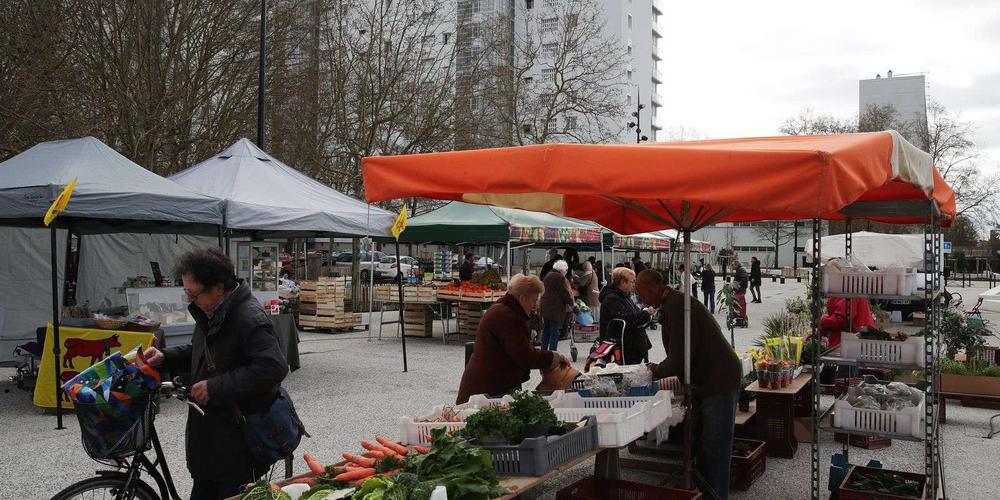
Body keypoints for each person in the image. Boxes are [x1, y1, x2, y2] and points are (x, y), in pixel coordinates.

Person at [143, 248, 288, 500]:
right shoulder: (211, 311)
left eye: (193, 293)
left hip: (237, 443)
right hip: (212, 438)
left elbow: (273, 367)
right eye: (186, 292)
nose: (189, 299)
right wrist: (165, 356)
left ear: (218, 288)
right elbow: (202, 352)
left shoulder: (249, 317)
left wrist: (215, 387)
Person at [637, 270, 741, 500]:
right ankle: (708, 493)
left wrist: (656, 370)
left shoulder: (677, 306)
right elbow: (682, 357)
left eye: (641, 293)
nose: (641, 300)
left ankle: (717, 495)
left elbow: (679, 359)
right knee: (706, 444)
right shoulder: (673, 304)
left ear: (654, 287)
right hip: (709, 379)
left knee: (715, 446)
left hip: (719, 379)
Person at [457, 274, 570, 404]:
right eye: (534, 301)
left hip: (490, 386)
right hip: (486, 391)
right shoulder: (507, 317)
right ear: (522, 298)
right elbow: (524, 355)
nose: (535, 306)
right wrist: (554, 357)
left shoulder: (505, 310)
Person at [599, 267, 655, 364]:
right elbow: (626, 319)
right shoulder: (612, 298)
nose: (634, 285)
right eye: (632, 282)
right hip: (623, 348)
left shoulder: (624, 296)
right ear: (622, 282)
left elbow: (634, 314)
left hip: (631, 347)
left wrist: (646, 312)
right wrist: (646, 313)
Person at [540, 260, 574, 351]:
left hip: (546, 306)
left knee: (546, 330)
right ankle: (553, 352)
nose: (566, 273)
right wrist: (571, 302)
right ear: (562, 270)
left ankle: (543, 350)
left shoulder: (548, 275)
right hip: (555, 308)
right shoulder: (559, 277)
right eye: (566, 271)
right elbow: (564, 293)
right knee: (555, 331)